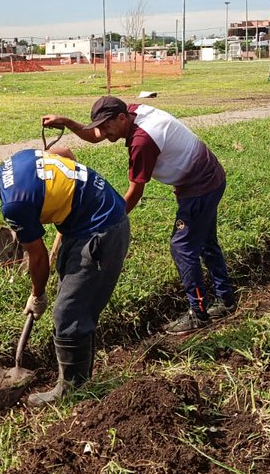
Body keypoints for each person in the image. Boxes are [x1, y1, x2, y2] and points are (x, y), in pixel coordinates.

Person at [0, 147, 130, 405]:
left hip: (101, 230)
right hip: (86, 223)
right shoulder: (19, 160)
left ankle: (73, 391)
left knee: (68, 313)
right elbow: (63, 152)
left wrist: (37, 295)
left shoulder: (14, 204)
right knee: (73, 302)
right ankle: (80, 378)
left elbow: (38, 259)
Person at [43, 96, 234, 335]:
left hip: (200, 186)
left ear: (122, 118)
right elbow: (94, 136)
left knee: (182, 247)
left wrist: (109, 222)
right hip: (206, 178)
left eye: (105, 126)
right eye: (99, 126)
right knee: (204, 242)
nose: (102, 132)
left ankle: (199, 312)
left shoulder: (142, 141)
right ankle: (225, 299)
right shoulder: (130, 113)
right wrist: (67, 122)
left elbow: (134, 193)